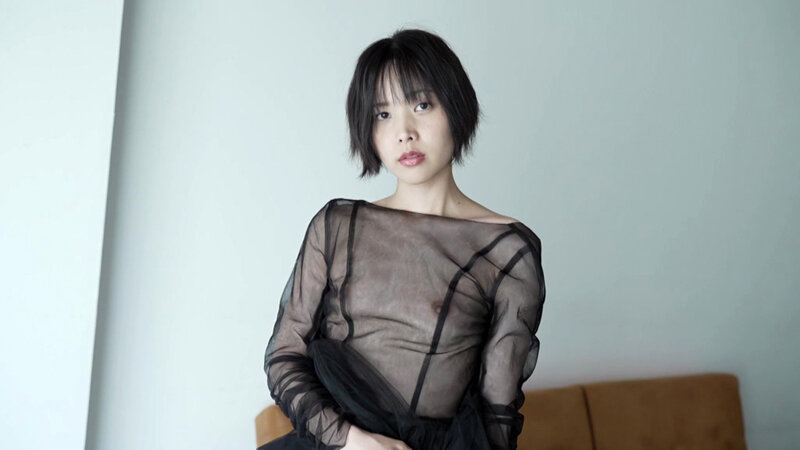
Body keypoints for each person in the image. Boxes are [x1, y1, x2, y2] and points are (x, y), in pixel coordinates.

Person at [260, 28, 546, 450]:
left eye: (421, 105)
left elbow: (496, 416)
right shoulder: (337, 226)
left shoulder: (506, 251)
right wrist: (354, 442)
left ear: (456, 107)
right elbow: (284, 357)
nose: (404, 132)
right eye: (383, 114)